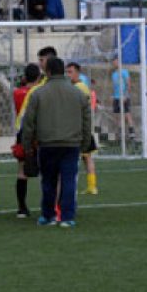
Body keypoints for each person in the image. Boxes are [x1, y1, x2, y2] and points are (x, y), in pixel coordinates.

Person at [20, 57, 92, 228]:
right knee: (68, 180)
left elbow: (28, 122)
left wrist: (27, 144)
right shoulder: (78, 93)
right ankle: (67, 217)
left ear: (48, 71)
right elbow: (87, 120)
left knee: (48, 181)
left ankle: (48, 215)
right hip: (71, 143)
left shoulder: (38, 93)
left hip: (47, 143)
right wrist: (85, 142)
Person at [12, 63, 42, 218]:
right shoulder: (39, 91)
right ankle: (49, 205)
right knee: (46, 169)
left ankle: (22, 207)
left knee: (22, 170)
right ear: (38, 77)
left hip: (22, 132)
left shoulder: (17, 93)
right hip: (38, 133)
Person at [66, 62, 99, 195]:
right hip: (84, 128)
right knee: (87, 158)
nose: (68, 75)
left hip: (78, 129)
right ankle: (92, 186)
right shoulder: (82, 86)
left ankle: (74, 187)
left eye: (70, 72)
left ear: (77, 73)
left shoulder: (78, 88)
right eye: (67, 72)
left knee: (76, 159)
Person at [111, 57, 135, 140]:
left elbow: (128, 84)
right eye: (114, 62)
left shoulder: (124, 72)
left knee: (127, 114)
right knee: (118, 115)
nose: (115, 63)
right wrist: (113, 95)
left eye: (116, 62)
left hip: (124, 97)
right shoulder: (113, 74)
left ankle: (132, 133)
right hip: (116, 97)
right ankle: (121, 133)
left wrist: (126, 95)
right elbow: (114, 87)